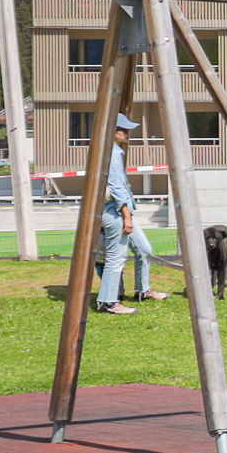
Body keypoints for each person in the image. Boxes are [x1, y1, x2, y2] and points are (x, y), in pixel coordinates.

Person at [95, 118, 157, 314]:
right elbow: (115, 186)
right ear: (113, 130)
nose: (127, 133)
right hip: (115, 212)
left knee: (144, 249)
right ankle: (109, 302)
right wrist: (126, 216)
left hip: (123, 211)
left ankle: (143, 289)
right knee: (115, 258)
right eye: (124, 130)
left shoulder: (115, 151)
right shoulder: (110, 153)